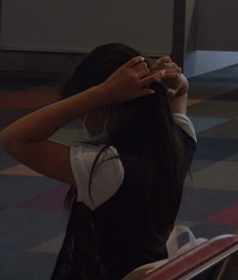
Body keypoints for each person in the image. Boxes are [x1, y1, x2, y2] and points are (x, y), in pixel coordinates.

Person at [0, 44, 196, 280]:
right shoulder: (178, 145)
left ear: (106, 107)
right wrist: (179, 83)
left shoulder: (108, 167)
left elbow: (13, 139)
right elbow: (180, 95)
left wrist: (100, 93)